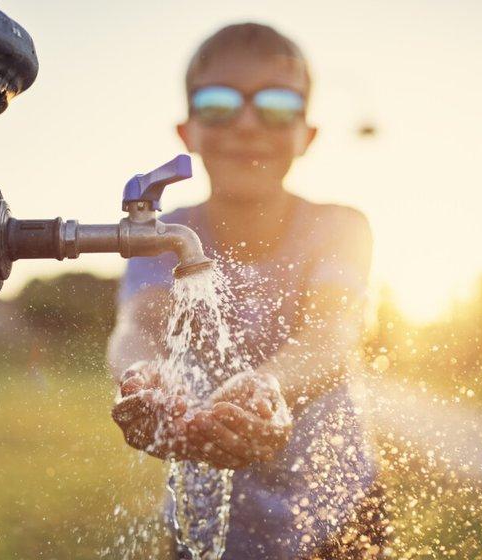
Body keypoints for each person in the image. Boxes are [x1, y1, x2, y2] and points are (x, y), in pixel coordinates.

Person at [107, 23, 384, 559]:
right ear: (187, 132)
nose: (249, 124)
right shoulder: (163, 238)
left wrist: (268, 384)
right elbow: (138, 327)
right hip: (203, 516)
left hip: (338, 515)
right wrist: (143, 379)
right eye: (219, 104)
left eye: (278, 106)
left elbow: (332, 331)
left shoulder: (340, 228)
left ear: (308, 134)